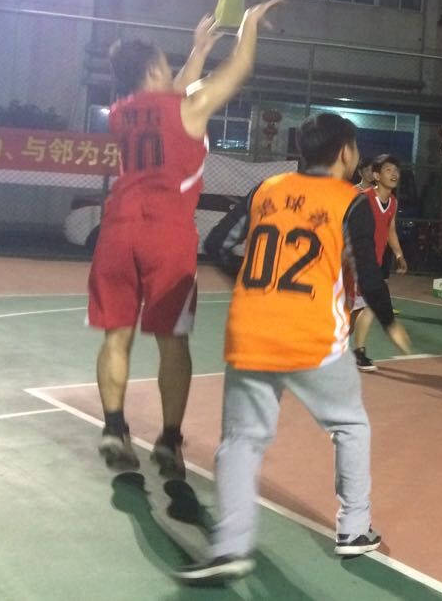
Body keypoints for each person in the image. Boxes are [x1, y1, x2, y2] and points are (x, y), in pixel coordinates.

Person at [175, 113, 412, 586]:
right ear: (346, 153)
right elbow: (369, 273)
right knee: (349, 425)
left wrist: (251, 281)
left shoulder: (267, 188)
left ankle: (230, 546)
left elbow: (219, 242)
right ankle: (354, 527)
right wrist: (389, 321)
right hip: (312, 336)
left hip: (252, 330)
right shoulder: (349, 201)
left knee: (242, 440)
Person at [88, 0, 283, 479]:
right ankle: (169, 440)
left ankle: (114, 427)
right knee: (172, 341)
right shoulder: (188, 109)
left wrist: (197, 52)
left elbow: (165, 102)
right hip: (166, 234)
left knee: (117, 335)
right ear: (156, 69)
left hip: (116, 231)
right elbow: (238, 69)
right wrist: (248, 26)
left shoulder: (120, 113)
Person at [350, 153, 409, 373]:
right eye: (388, 170)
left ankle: (358, 352)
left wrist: (399, 255)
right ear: (376, 176)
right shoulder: (363, 200)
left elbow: (390, 230)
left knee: (367, 306)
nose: (394, 174)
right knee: (353, 309)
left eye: (396, 170)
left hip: (372, 264)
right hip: (353, 263)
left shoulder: (392, 202)